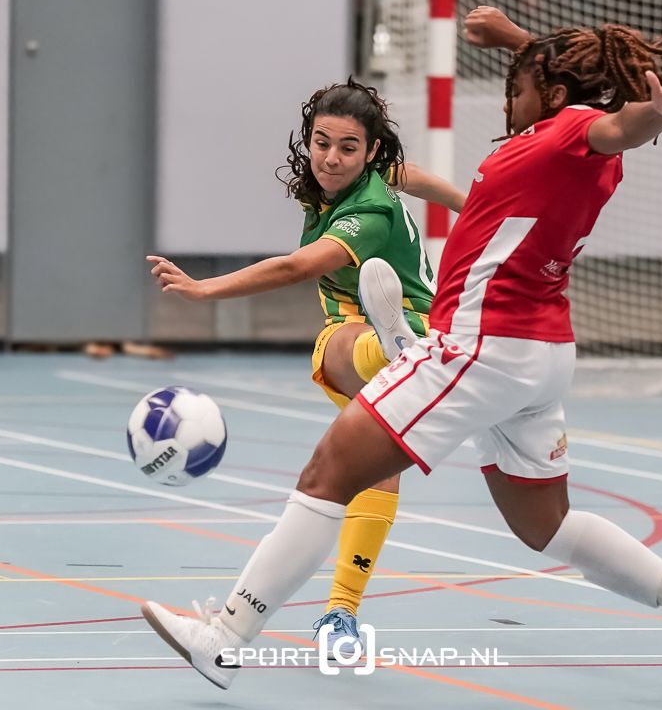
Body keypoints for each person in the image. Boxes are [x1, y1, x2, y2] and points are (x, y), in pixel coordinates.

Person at [142, 20, 662, 700]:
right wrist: (511, 40)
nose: (505, 101)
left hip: (481, 346)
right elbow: (575, 93)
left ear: (548, 95)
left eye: (515, 89)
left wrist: (657, 112)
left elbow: (616, 125)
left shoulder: (572, 133)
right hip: (541, 350)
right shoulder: (565, 135)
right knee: (544, 526)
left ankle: (224, 638)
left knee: (328, 472)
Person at [147, 78, 465, 652]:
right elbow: (411, 175)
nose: (330, 158)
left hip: (399, 335)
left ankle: (385, 347)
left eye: (347, 148)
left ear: (369, 150)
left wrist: (202, 291)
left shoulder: (366, 212)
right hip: (432, 344)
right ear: (309, 139)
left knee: (336, 348)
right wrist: (476, 208)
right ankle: (339, 615)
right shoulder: (360, 177)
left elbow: (295, 268)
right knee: (371, 472)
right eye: (322, 143)